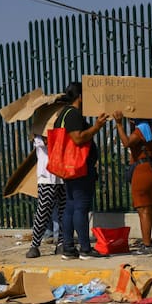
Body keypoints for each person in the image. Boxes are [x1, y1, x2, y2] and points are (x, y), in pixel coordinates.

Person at [55, 81, 109, 260]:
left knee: (70, 206)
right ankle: (85, 248)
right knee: (80, 207)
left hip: (68, 168)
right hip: (79, 168)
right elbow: (78, 138)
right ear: (80, 97)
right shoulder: (73, 115)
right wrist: (97, 126)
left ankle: (69, 248)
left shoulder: (62, 114)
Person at [112, 111, 152, 255]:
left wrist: (118, 124)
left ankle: (147, 245)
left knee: (144, 210)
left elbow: (126, 143)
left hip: (142, 172)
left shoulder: (142, 129)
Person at [25, 106, 65, 258]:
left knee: (63, 211)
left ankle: (61, 242)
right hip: (47, 177)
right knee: (43, 210)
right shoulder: (38, 134)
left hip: (62, 176)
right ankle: (35, 245)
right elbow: (48, 143)